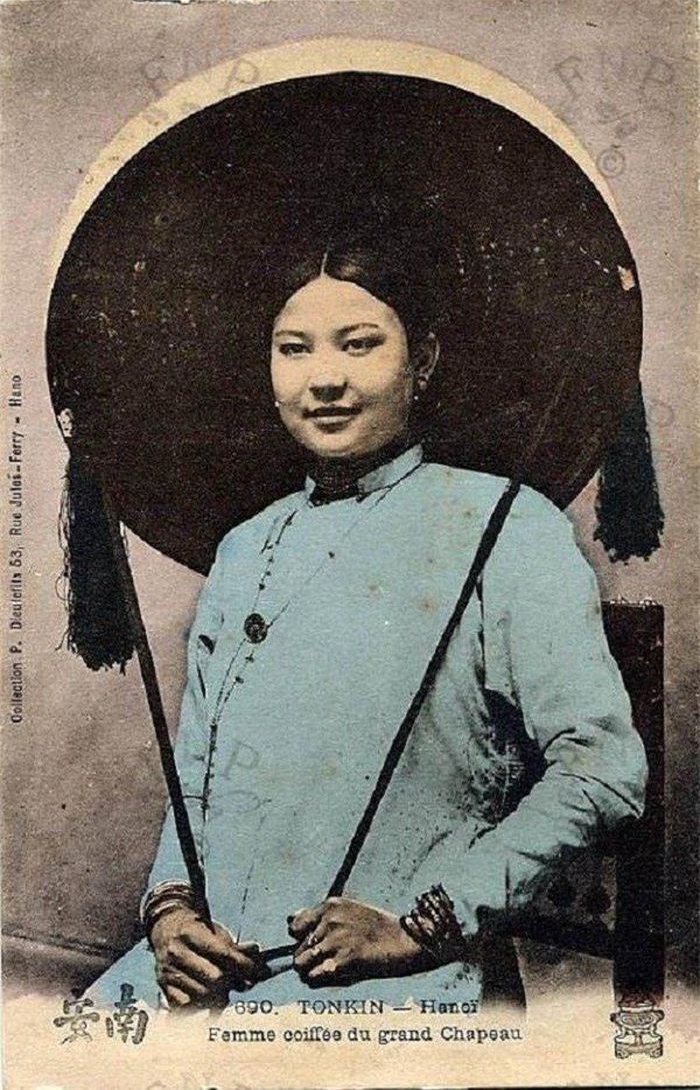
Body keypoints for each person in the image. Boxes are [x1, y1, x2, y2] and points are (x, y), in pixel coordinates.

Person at [90, 236, 648, 1012]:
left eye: (360, 345)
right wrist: (172, 912)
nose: (325, 378)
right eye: (294, 348)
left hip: (402, 985)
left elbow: (604, 770)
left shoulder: (507, 527)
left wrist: (423, 926)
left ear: (423, 361)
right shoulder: (246, 548)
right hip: (215, 977)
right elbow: (198, 779)